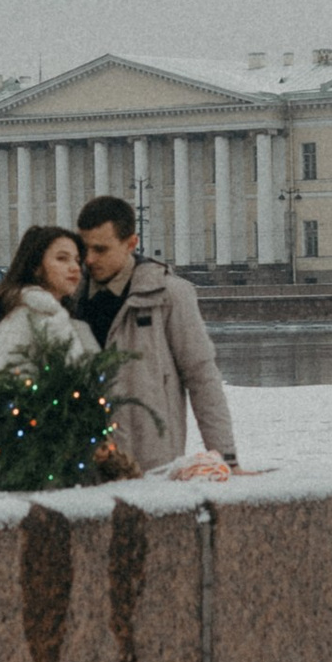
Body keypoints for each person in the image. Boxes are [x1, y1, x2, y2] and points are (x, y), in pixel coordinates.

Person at [73, 195, 238, 474]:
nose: (89, 260)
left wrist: (226, 458)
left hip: (152, 467)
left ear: (131, 244)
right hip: (83, 469)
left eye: (100, 249)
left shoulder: (168, 295)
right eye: (84, 249)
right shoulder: (70, 301)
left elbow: (201, 377)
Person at [0, 223, 100, 376]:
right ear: (36, 267)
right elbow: (8, 389)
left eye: (77, 260)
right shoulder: (21, 320)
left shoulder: (70, 319)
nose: (75, 267)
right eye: (62, 258)